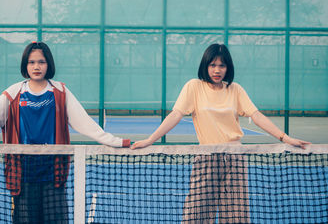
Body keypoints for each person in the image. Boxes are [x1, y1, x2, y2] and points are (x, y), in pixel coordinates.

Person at [0, 41, 130, 224]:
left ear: (48, 64)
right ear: (25, 65)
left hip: (54, 173)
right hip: (22, 174)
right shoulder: (13, 93)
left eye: (41, 62)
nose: (36, 66)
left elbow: (85, 123)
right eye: (32, 62)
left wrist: (118, 142)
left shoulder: (60, 92)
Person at [131, 43, 310, 223]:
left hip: (235, 159)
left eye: (222, 65)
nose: (217, 70)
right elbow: (176, 114)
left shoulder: (235, 90)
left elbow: (256, 115)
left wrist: (285, 138)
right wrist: (150, 139)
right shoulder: (194, 87)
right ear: (205, 65)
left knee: (235, 216)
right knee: (195, 215)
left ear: (228, 68)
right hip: (206, 158)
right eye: (212, 65)